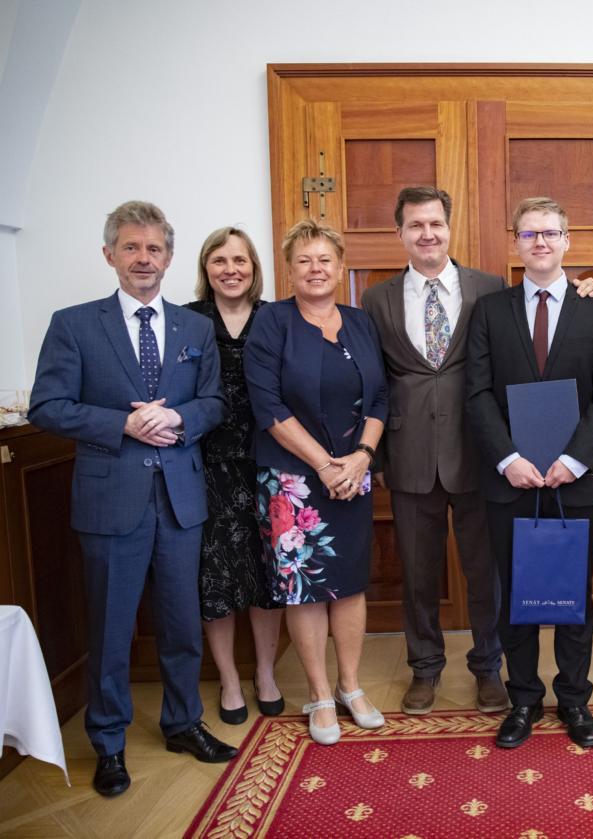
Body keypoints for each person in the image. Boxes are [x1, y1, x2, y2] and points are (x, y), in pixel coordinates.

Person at [361, 187, 593, 716]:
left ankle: (489, 669)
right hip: (411, 456)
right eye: (415, 225)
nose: (427, 233)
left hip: (481, 456)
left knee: (488, 575)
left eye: (436, 224)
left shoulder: (487, 288)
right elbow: (372, 381)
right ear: (400, 233)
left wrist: (587, 286)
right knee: (419, 575)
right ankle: (424, 670)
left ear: (450, 229)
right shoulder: (376, 299)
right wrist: (373, 455)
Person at [29, 200, 237, 797]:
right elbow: (48, 407)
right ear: (109, 255)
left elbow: (214, 403)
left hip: (179, 498)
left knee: (180, 625)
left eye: (154, 249)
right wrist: (121, 425)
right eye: (131, 247)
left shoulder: (196, 328)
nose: (143, 258)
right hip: (109, 500)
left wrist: (175, 415)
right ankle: (109, 743)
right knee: (112, 627)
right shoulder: (73, 324)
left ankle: (182, 723)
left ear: (169, 257)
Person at [466, 197, 593, 750]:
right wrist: (508, 459)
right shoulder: (490, 310)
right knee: (517, 595)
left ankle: (575, 698)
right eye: (529, 233)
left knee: (574, 593)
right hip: (511, 480)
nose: (540, 242)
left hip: (575, 479)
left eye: (550, 233)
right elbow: (477, 393)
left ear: (567, 240)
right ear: (516, 241)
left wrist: (574, 459)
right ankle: (524, 699)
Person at [243, 219, 389, 746]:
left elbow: (380, 398)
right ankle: (321, 694)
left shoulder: (359, 321)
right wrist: (326, 465)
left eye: (324, 259)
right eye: (304, 260)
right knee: (304, 588)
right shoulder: (272, 323)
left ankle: (352, 686)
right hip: (293, 479)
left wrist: (361, 457)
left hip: (354, 472)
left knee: (348, 584)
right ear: (289, 269)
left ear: (341, 266)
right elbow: (269, 406)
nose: (315, 269)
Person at [184, 227, 284, 724]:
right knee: (217, 579)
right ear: (206, 268)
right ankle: (227, 679)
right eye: (219, 260)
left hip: (271, 464)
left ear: (253, 266)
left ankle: (265, 672)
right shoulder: (186, 321)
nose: (231, 269)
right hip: (205, 468)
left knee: (268, 572)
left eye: (240, 260)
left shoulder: (277, 317)